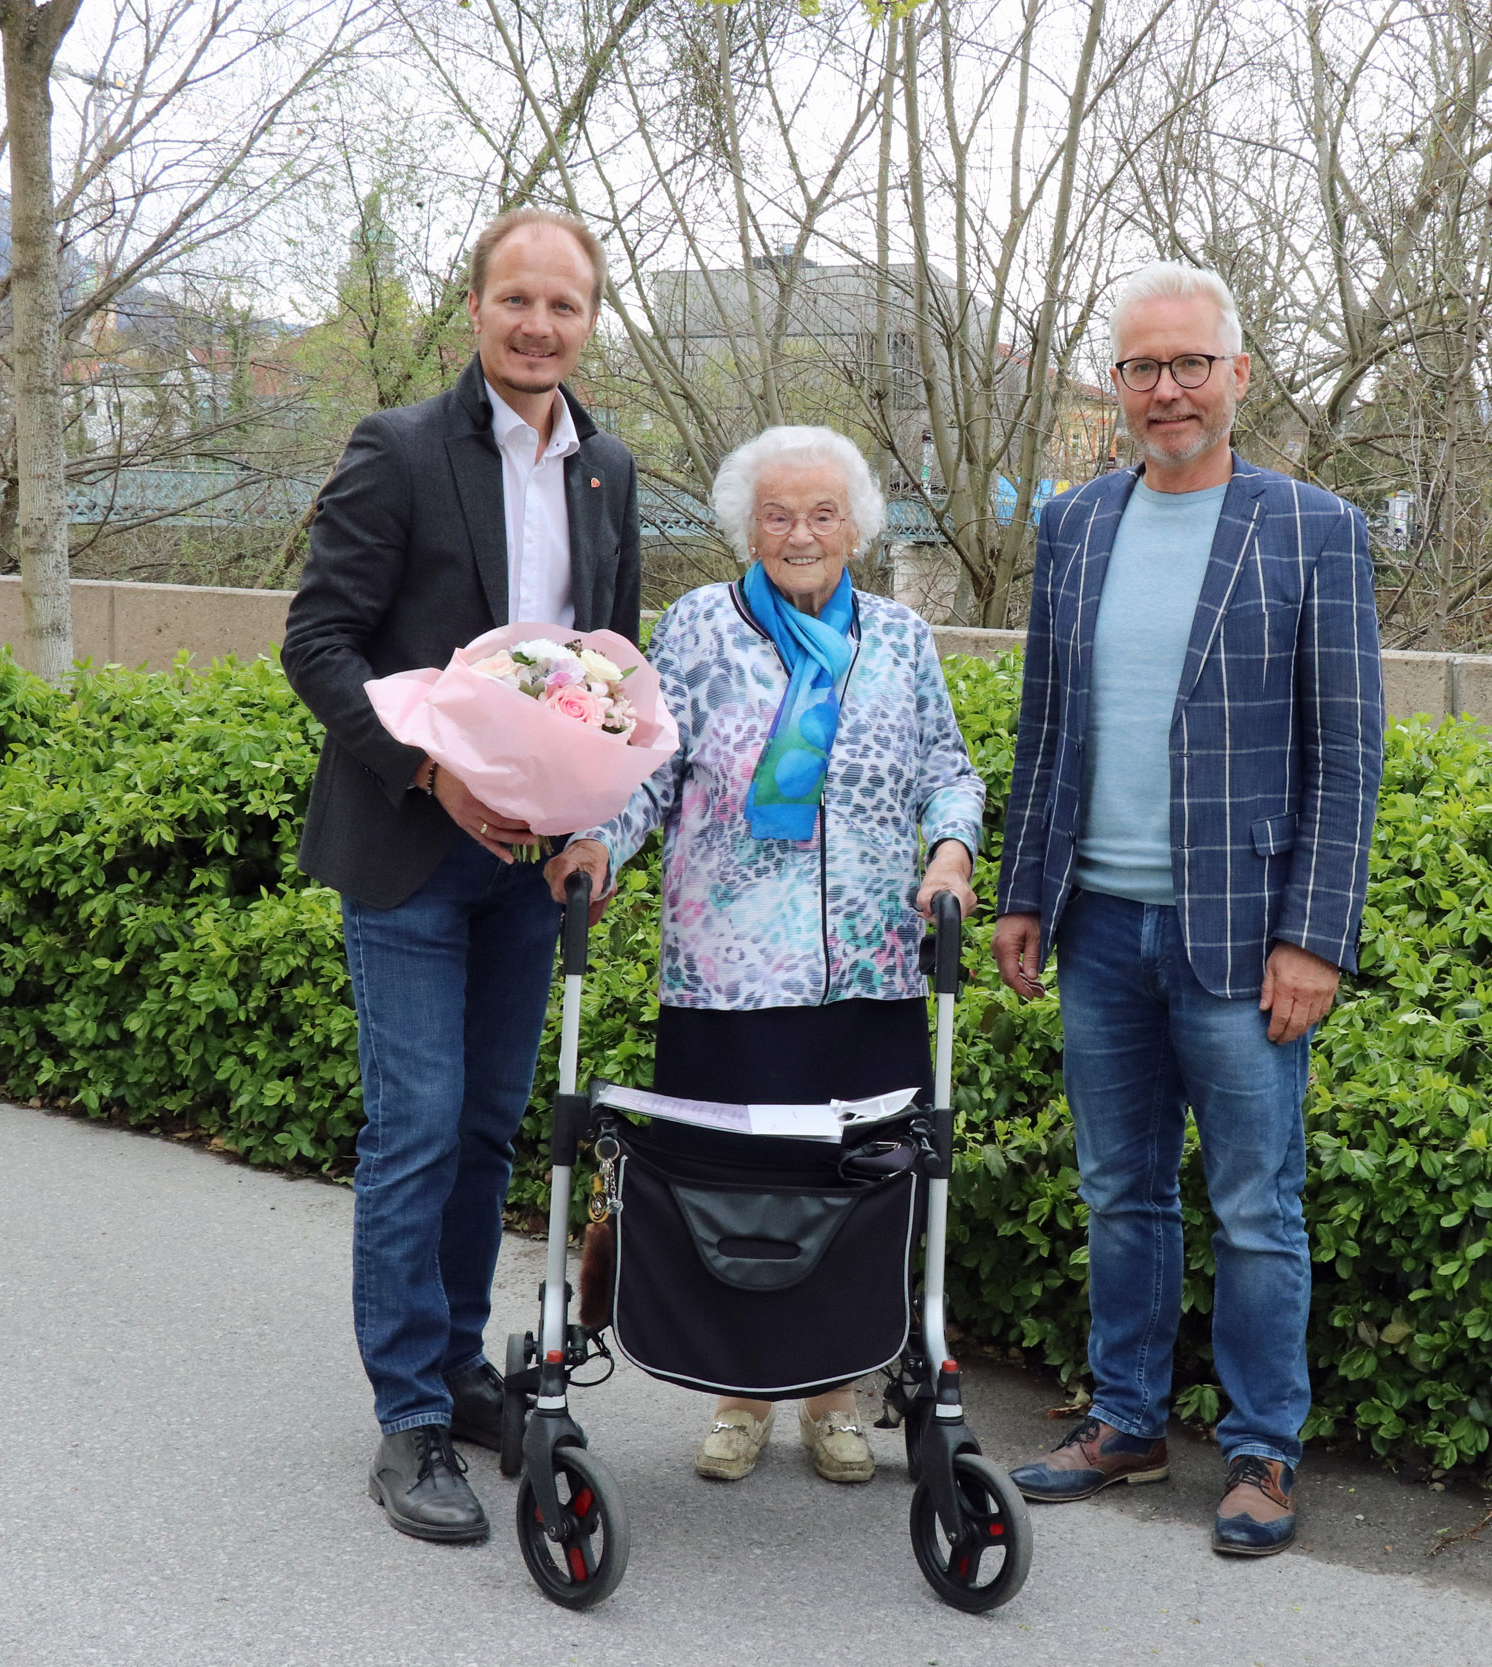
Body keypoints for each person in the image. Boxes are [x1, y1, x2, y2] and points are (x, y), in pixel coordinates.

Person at [991, 262, 1383, 1557]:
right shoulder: (1074, 526)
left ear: (1239, 376)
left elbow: (1347, 751)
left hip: (1242, 938)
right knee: (1121, 1190)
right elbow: (1045, 727)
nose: (1166, 390)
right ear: (1115, 384)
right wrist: (1024, 893)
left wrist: (1316, 932)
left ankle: (1263, 1448)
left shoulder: (1312, 527)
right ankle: (1128, 1418)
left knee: (1259, 1204)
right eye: (1142, 368)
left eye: (1189, 365)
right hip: (1099, 925)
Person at [281, 208, 642, 1546]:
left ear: (590, 316)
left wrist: (598, 811)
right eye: (517, 300)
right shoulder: (399, 449)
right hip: (411, 850)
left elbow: (614, 664)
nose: (539, 325)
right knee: (419, 1127)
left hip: (530, 869)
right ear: (477, 307)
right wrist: (432, 772)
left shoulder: (608, 467)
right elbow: (317, 643)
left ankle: (456, 1365)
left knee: (490, 1129)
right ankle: (410, 1413)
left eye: (566, 304)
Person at [548, 424, 984, 1486]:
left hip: (875, 959)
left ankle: (834, 1393)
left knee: (852, 1191)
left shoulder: (898, 635)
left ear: (857, 528)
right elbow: (651, 765)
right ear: (747, 525)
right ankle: (742, 1391)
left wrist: (951, 851)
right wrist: (603, 841)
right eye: (778, 514)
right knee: (739, 1188)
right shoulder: (700, 625)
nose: (800, 533)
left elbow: (949, 769)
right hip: (731, 969)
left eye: (822, 513)